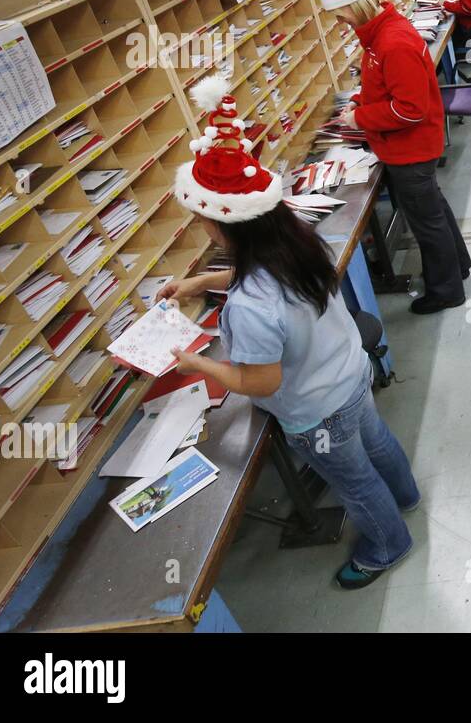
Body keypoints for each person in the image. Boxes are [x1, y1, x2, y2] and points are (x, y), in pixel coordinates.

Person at [164, 75, 420, 589]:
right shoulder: (297, 242)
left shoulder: (252, 308)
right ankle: (407, 496)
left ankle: (387, 546)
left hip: (316, 410)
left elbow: (261, 384)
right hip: (349, 374)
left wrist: (198, 365)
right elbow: (252, 274)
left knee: (352, 479)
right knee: (376, 441)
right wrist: (199, 282)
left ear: (220, 227)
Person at [307, 0, 471, 314]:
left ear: (350, 7)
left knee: (426, 223)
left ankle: (447, 291)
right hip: (408, 148)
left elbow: (409, 110)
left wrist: (360, 119)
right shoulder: (380, 36)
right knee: (434, 211)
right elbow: (387, 87)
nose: (339, 23)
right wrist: (362, 102)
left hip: (410, 150)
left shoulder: (391, 42)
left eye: (338, 15)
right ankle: (457, 266)